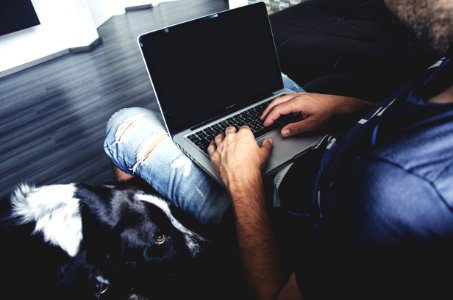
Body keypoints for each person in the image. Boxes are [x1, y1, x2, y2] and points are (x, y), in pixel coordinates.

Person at [104, 0, 453, 299]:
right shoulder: (446, 68)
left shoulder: (395, 193)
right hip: (328, 145)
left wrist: (242, 182)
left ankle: (142, 242)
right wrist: (347, 106)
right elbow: (406, 117)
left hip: (275, 205)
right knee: (270, 86)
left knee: (125, 123)